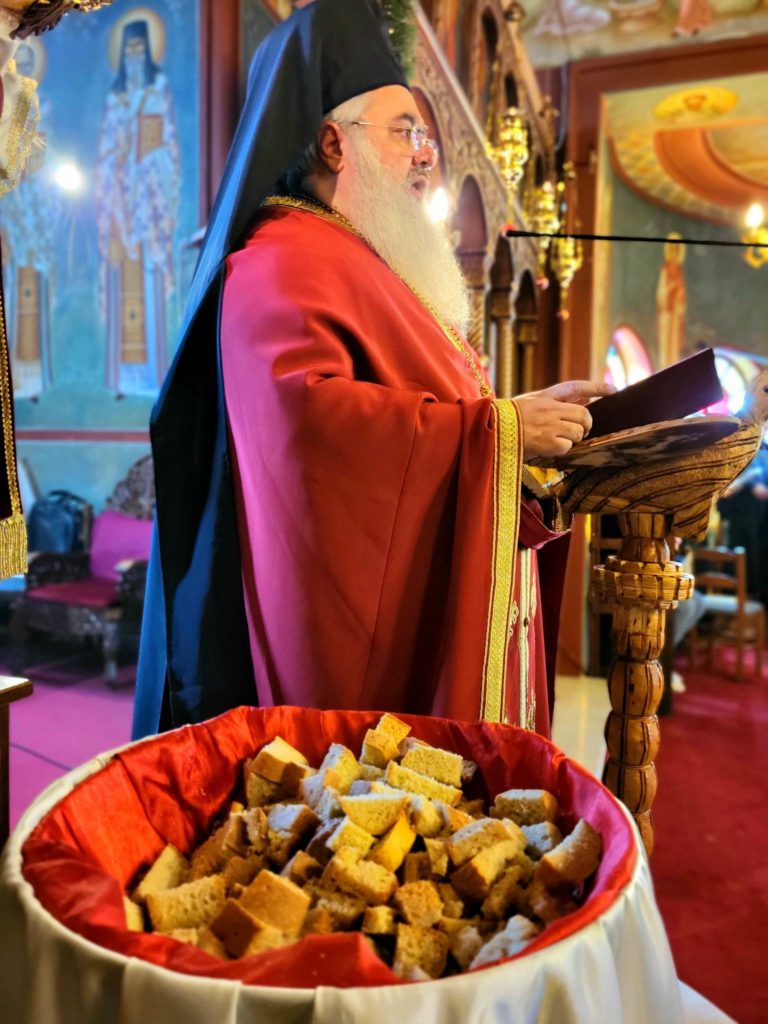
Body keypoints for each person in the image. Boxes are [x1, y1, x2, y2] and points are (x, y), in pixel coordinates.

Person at [132, 0, 612, 740]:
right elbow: (310, 433)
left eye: (424, 135)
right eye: (405, 132)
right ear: (334, 142)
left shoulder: (360, 257)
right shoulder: (280, 260)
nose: (426, 155)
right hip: (344, 649)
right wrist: (503, 430)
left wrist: (520, 421)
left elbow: (428, 402)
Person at [94, 16, 180, 398]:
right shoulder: (115, 101)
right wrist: (121, 155)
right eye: (128, 49)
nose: (133, 55)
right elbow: (105, 152)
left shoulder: (158, 91)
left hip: (149, 202)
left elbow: (169, 147)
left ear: (147, 51)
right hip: (119, 200)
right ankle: (124, 380)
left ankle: (153, 377)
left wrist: (149, 159)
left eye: (139, 48)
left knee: (147, 280)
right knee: (122, 283)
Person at [656, 232, 686, 370]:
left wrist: (680, 296)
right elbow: (661, 292)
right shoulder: (665, 269)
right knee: (665, 345)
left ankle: (673, 366)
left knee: (674, 346)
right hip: (666, 314)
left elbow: (682, 296)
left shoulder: (679, 271)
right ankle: (664, 367)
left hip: (675, 316)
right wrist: (670, 289)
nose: (674, 252)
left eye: (676, 250)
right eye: (672, 249)